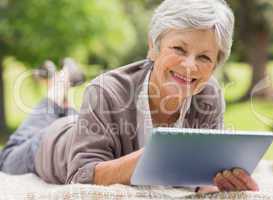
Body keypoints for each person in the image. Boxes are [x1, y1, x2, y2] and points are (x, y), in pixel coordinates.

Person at [0, 0, 259, 193]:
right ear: (153, 47)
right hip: (51, 145)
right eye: (179, 48)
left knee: (78, 119)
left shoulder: (209, 95)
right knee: (8, 157)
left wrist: (224, 184)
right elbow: (80, 178)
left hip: (88, 126)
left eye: (204, 57)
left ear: (215, 65)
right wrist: (157, 154)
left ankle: (65, 101)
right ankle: (59, 88)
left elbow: (203, 178)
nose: (190, 66)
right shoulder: (106, 90)